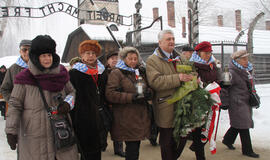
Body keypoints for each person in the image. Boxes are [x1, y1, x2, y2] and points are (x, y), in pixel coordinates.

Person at [5, 35, 79, 160]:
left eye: (49, 55)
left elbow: (72, 92)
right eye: (43, 56)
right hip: (34, 135)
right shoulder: (24, 78)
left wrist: (67, 103)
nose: (47, 59)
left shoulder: (61, 74)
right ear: (36, 57)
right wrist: (11, 130)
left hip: (60, 133)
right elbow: (15, 104)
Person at [146, 29, 194, 160]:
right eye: (168, 39)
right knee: (167, 142)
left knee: (183, 137)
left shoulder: (180, 57)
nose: (172, 41)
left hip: (182, 104)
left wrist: (194, 79)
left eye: (173, 39)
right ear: (160, 42)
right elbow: (155, 82)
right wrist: (178, 78)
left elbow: (190, 73)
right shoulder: (153, 60)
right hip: (166, 104)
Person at [105, 47, 151, 160]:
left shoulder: (139, 71)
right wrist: (131, 97)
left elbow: (148, 87)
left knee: (135, 148)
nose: (133, 61)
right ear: (124, 59)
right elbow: (110, 94)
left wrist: (149, 93)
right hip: (126, 116)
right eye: (130, 58)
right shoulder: (117, 72)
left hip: (140, 116)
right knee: (132, 149)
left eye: (135, 59)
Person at [69, 40, 108, 160]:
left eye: (93, 53)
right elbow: (71, 94)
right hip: (82, 116)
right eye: (87, 53)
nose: (90, 56)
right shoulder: (74, 73)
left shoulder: (102, 72)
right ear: (82, 55)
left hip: (100, 115)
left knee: (98, 149)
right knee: (86, 151)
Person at [221, 50, 259, 158]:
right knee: (244, 125)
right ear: (237, 60)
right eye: (244, 59)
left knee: (238, 124)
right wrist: (224, 102)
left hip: (245, 101)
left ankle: (227, 140)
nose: (247, 61)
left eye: (247, 58)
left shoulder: (245, 70)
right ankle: (247, 150)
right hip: (236, 103)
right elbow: (224, 88)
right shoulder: (231, 73)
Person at [188, 41, 220, 160]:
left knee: (208, 128)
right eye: (205, 53)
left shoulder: (212, 64)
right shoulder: (192, 64)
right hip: (198, 101)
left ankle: (196, 147)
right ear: (198, 53)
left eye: (209, 52)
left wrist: (219, 85)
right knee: (198, 130)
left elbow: (217, 78)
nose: (207, 55)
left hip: (212, 100)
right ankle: (200, 156)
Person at [104, 51, 126, 157]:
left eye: (116, 58)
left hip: (119, 104)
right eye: (112, 58)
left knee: (118, 127)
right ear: (107, 61)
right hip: (105, 104)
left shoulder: (122, 72)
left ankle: (119, 149)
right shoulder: (103, 72)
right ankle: (102, 144)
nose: (114, 60)